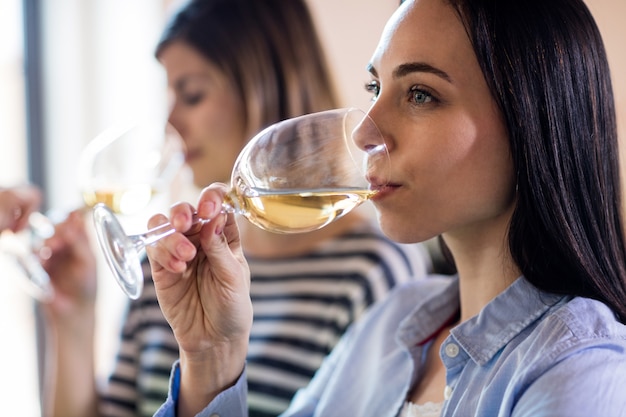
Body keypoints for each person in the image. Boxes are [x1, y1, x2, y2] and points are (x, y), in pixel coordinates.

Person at [145, 0, 626, 415]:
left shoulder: (580, 372)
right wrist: (212, 355)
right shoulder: (387, 327)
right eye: (375, 89)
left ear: (532, 124)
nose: (363, 133)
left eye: (420, 94)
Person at [38, 1, 431, 416]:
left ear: (266, 85)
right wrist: (73, 319)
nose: (170, 123)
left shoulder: (373, 271)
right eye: (168, 96)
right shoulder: (171, 263)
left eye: (191, 95)